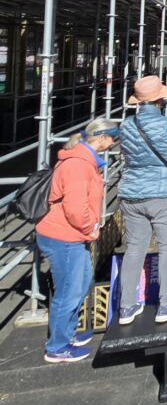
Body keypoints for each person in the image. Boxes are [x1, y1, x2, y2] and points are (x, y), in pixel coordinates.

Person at [36, 119, 118, 362]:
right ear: (101, 137)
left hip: (70, 235)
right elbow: (74, 207)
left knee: (79, 284)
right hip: (64, 235)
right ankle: (57, 346)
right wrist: (90, 227)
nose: (113, 142)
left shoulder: (83, 161)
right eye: (112, 137)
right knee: (68, 291)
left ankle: (68, 333)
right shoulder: (78, 166)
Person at [117, 76, 167, 325]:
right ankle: (166, 303)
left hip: (131, 192)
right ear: (160, 99)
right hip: (164, 192)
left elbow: (128, 153)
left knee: (135, 248)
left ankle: (127, 306)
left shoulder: (126, 126)